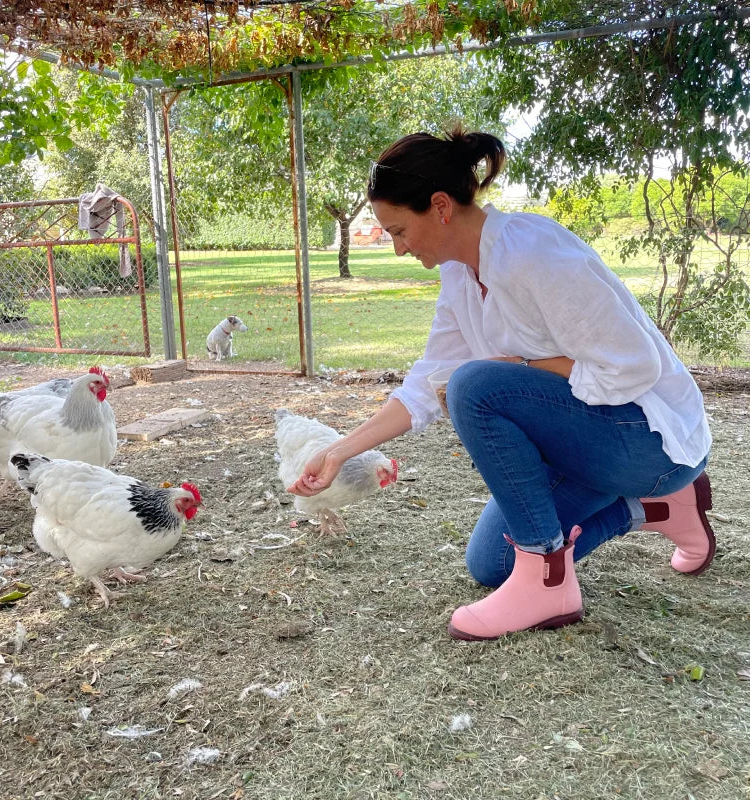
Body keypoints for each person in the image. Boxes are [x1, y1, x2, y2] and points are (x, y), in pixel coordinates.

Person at [286, 126, 713, 641]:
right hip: (594, 444)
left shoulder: (534, 254)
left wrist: (524, 368)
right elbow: (428, 381)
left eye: (399, 230)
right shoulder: (461, 273)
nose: (398, 249)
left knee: (477, 385)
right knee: (491, 563)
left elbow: (634, 367)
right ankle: (656, 509)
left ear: (441, 207)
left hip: (651, 441)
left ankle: (550, 577)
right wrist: (338, 450)